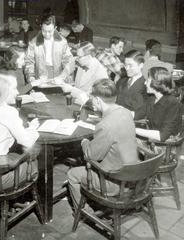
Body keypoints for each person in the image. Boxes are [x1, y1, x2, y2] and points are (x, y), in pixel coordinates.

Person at [67, 78, 139, 210]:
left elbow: (91, 156)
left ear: (98, 100)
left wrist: (84, 142)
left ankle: (84, 212)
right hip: (133, 174)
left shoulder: (105, 125)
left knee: (72, 174)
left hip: (114, 181)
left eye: (92, 98)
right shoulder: (125, 112)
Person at [135, 67, 182, 141]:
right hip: (154, 141)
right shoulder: (152, 99)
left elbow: (162, 136)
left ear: (156, 83)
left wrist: (134, 130)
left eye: (147, 81)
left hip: (168, 147)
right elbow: (137, 114)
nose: (145, 83)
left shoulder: (173, 103)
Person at [25, 14, 74, 84]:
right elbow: (29, 61)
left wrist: (64, 76)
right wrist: (30, 77)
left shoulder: (62, 42)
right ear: (41, 27)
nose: (47, 34)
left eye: (50, 31)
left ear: (55, 28)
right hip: (40, 76)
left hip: (58, 76)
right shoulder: (34, 42)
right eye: (44, 31)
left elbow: (68, 61)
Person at [116, 50, 147, 117]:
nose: (127, 68)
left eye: (130, 65)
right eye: (125, 65)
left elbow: (146, 109)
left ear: (141, 65)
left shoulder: (147, 86)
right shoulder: (121, 82)